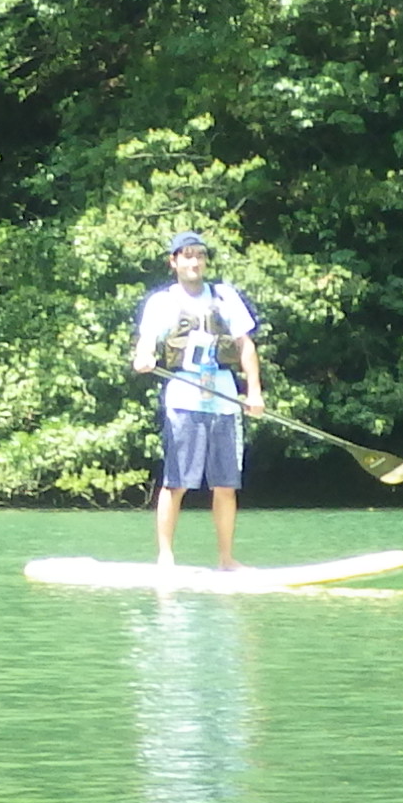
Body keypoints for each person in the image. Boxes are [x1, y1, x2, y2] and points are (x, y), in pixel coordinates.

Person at [131, 232, 264, 568]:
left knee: (225, 485)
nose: (194, 263)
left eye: (199, 256)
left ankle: (226, 559)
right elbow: (147, 342)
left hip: (224, 400)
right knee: (176, 482)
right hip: (183, 399)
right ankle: (166, 557)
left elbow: (245, 345)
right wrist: (144, 357)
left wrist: (255, 392)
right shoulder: (162, 302)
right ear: (173, 261)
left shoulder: (225, 297)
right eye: (186, 257)